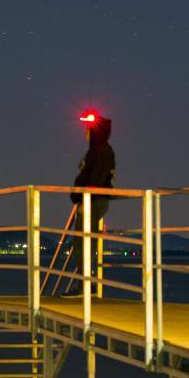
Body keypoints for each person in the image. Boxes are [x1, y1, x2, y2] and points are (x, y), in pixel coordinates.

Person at [61, 111, 115, 298]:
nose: (85, 132)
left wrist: (85, 200)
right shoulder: (97, 151)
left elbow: (96, 179)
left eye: (88, 129)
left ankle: (85, 285)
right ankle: (85, 283)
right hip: (90, 201)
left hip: (92, 202)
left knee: (83, 242)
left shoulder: (102, 151)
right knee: (83, 242)